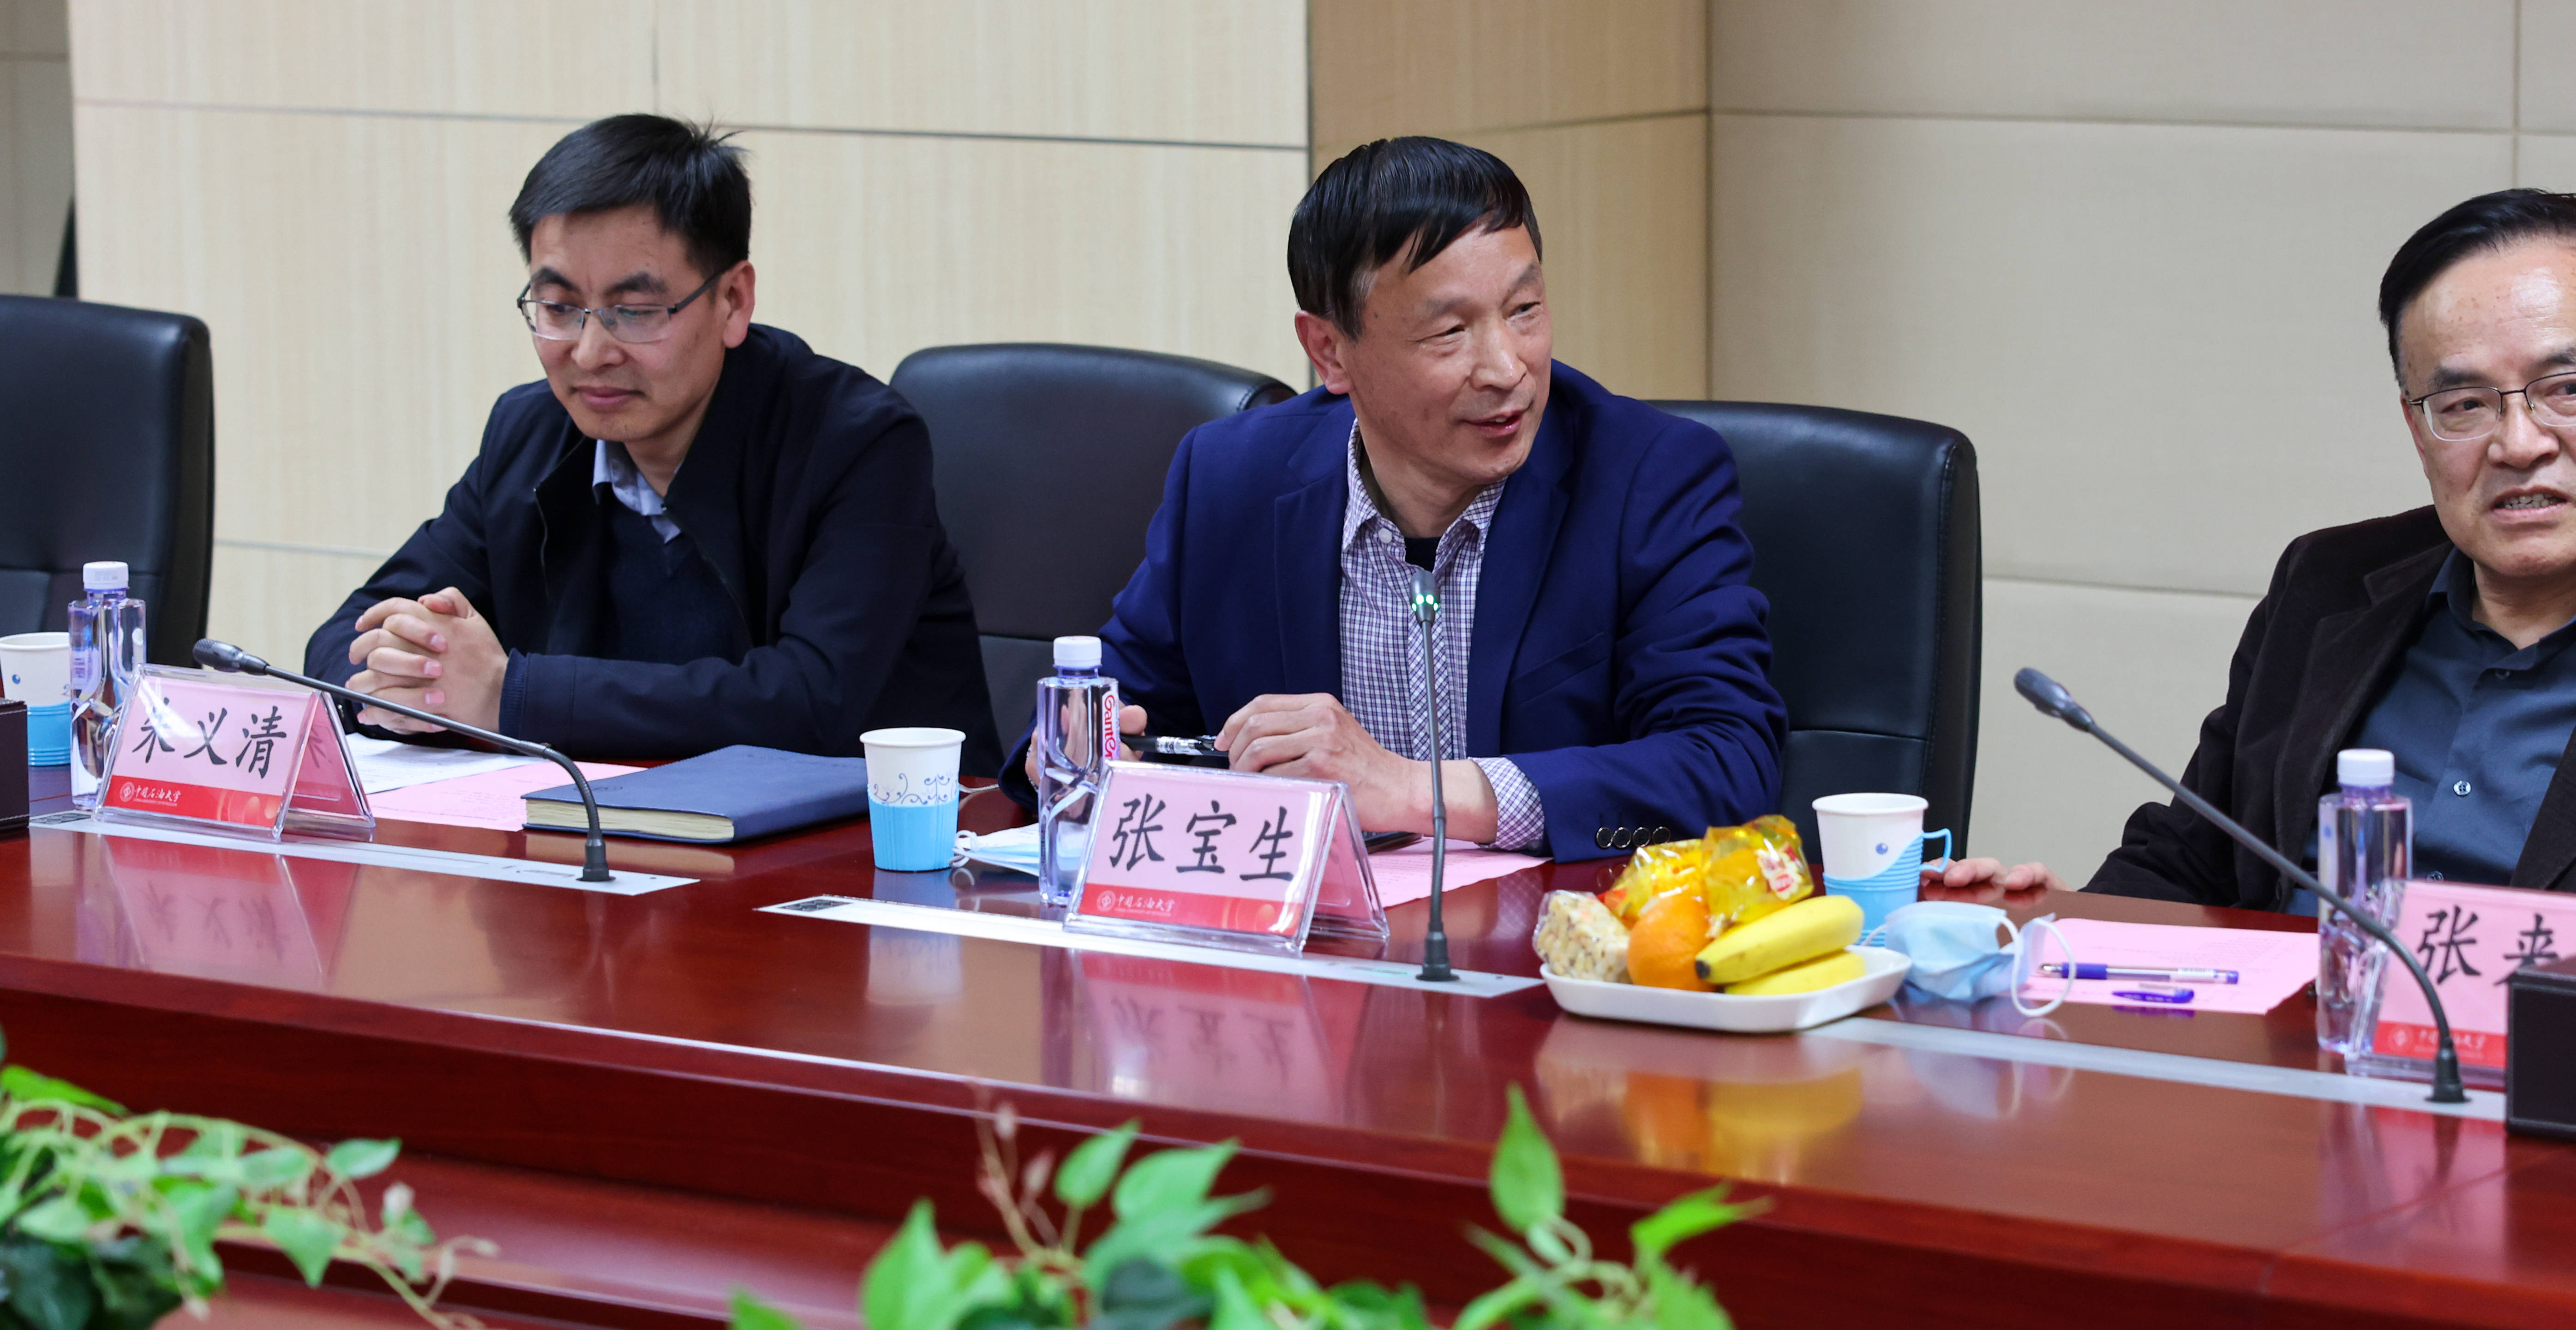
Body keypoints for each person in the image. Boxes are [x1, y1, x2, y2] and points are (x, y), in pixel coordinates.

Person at [1936, 190, 2576, 956]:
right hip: (2287, 1105)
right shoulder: (2328, 586)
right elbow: (2197, 857)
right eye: (2462, 405)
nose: (2518, 442)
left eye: (2567, 388)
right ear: (2416, 427)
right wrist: (2044, 933)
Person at [1020, 136, 1786, 857]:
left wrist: (1414, 791)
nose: (1507, 369)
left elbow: (1727, 763)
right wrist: (1079, 748)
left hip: (1549, 940)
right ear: (1329, 351)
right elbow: (1101, 710)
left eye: (1524, 311)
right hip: (1309, 938)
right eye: (1449, 332)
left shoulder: (1646, 476)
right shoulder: (1233, 478)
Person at [306, 114, 1000, 769]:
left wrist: (505, 695)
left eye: (635, 312)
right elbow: (344, 640)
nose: (590, 352)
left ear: (733, 301)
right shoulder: (530, 433)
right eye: (559, 308)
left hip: (865, 842)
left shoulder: (858, 443)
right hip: (592, 834)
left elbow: (808, 703)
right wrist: (410, 678)